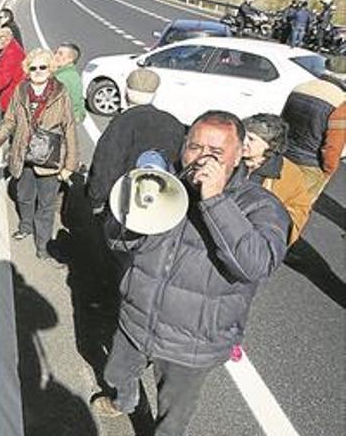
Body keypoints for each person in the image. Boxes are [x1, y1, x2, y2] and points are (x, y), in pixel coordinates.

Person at [92, 111, 290, 436]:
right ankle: (123, 401)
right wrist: (133, 211)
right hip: (136, 321)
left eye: (216, 152)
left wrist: (214, 200)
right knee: (117, 374)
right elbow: (116, 241)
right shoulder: (165, 185)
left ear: (240, 154)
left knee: (173, 415)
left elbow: (256, 264)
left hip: (192, 344)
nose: (202, 159)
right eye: (195, 147)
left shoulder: (261, 206)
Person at [0, 48, 78, 260]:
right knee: (24, 196)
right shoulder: (21, 90)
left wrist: (69, 165)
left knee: (46, 205)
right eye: (33, 67)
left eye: (43, 67)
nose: (38, 71)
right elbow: (10, 120)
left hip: (50, 158)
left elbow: (70, 128)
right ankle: (25, 225)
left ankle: (43, 245)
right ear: (27, 69)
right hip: (24, 153)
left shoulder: (61, 92)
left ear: (51, 69)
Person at [87, 69, 185, 214]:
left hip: (123, 201)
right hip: (161, 202)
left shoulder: (121, 123)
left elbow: (106, 164)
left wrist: (96, 199)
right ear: (155, 93)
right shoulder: (174, 123)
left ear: (126, 91)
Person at [242, 114, 310, 246]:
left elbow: (298, 211)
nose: (243, 141)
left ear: (269, 145)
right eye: (243, 135)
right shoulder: (230, 154)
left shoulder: (290, 174)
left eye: (251, 139)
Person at [280, 79, 346, 210]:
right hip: (310, 165)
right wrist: (328, 171)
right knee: (295, 210)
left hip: (283, 155)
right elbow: (333, 146)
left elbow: (282, 123)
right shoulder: (340, 103)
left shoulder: (300, 87)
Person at [0, 27, 25, 113]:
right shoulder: (12, 48)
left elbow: (4, 78)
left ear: (6, 39)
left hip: (10, 96)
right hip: (13, 95)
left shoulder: (11, 53)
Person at [53, 42, 86, 123]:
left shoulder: (62, 78)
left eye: (60, 54)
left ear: (70, 59)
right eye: (56, 52)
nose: (56, 56)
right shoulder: (73, 75)